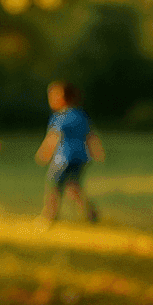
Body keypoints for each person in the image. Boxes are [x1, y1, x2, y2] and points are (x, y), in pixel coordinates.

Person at [34, 81, 104, 223]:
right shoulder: (80, 115)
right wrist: (97, 152)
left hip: (63, 158)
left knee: (53, 185)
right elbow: (91, 135)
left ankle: (49, 215)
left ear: (63, 98)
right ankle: (90, 212)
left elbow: (53, 138)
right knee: (73, 186)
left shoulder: (60, 117)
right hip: (81, 158)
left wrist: (44, 154)